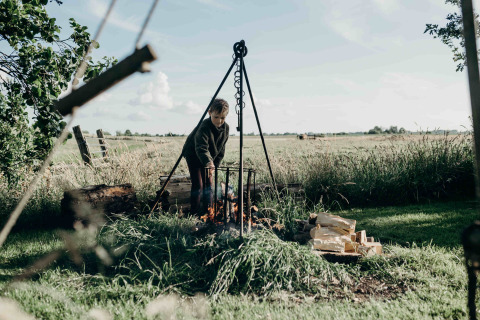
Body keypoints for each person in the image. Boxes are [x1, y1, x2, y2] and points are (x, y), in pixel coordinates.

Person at [182, 98, 229, 216]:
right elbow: (201, 147)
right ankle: (194, 213)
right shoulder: (203, 126)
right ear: (209, 113)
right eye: (216, 117)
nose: (219, 121)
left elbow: (221, 149)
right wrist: (208, 162)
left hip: (208, 158)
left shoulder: (226, 128)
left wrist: (214, 167)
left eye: (222, 118)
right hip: (193, 154)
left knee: (209, 184)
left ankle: (208, 212)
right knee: (198, 184)